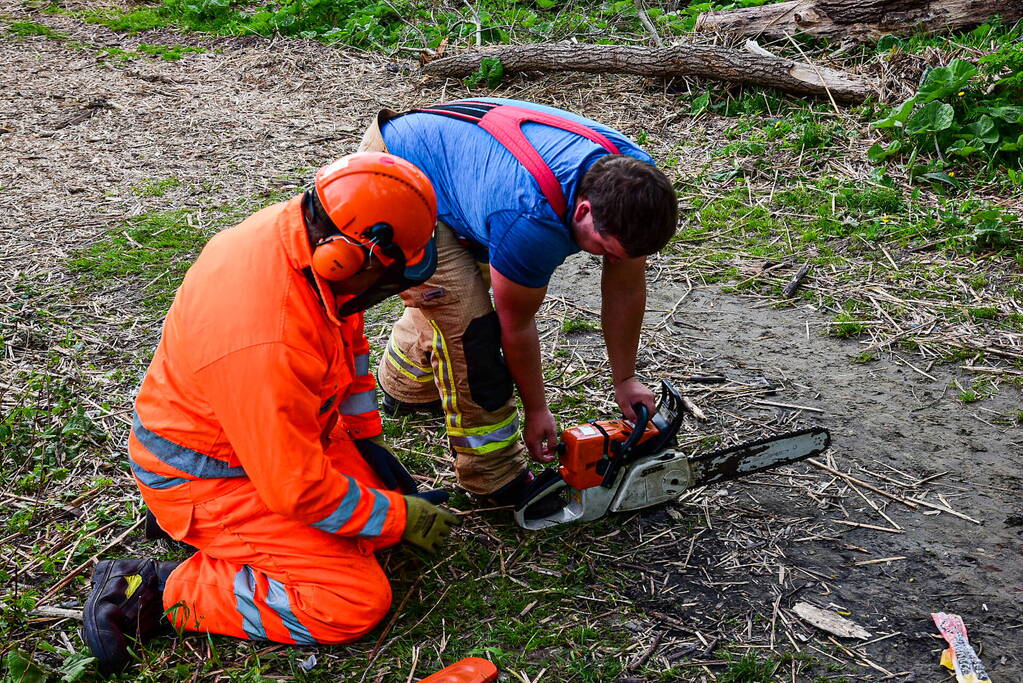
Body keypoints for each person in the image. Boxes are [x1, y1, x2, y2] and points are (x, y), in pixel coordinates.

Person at [81, 152, 460, 677]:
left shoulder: (301, 242)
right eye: (387, 275)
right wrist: (399, 516)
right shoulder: (267, 336)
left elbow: (347, 346)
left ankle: (235, 538)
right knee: (351, 598)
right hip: (212, 476)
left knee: (370, 524)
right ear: (346, 259)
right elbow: (297, 490)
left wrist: (368, 444)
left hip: (270, 440)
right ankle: (154, 587)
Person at [359, 98, 678, 506]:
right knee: (470, 330)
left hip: (458, 161)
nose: (613, 260)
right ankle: (494, 479)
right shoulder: (530, 219)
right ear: (583, 209)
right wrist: (537, 411)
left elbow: (625, 288)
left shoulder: (634, 183)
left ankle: (405, 387)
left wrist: (625, 378)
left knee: (454, 291)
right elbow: (516, 326)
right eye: (605, 249)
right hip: (394, 175)